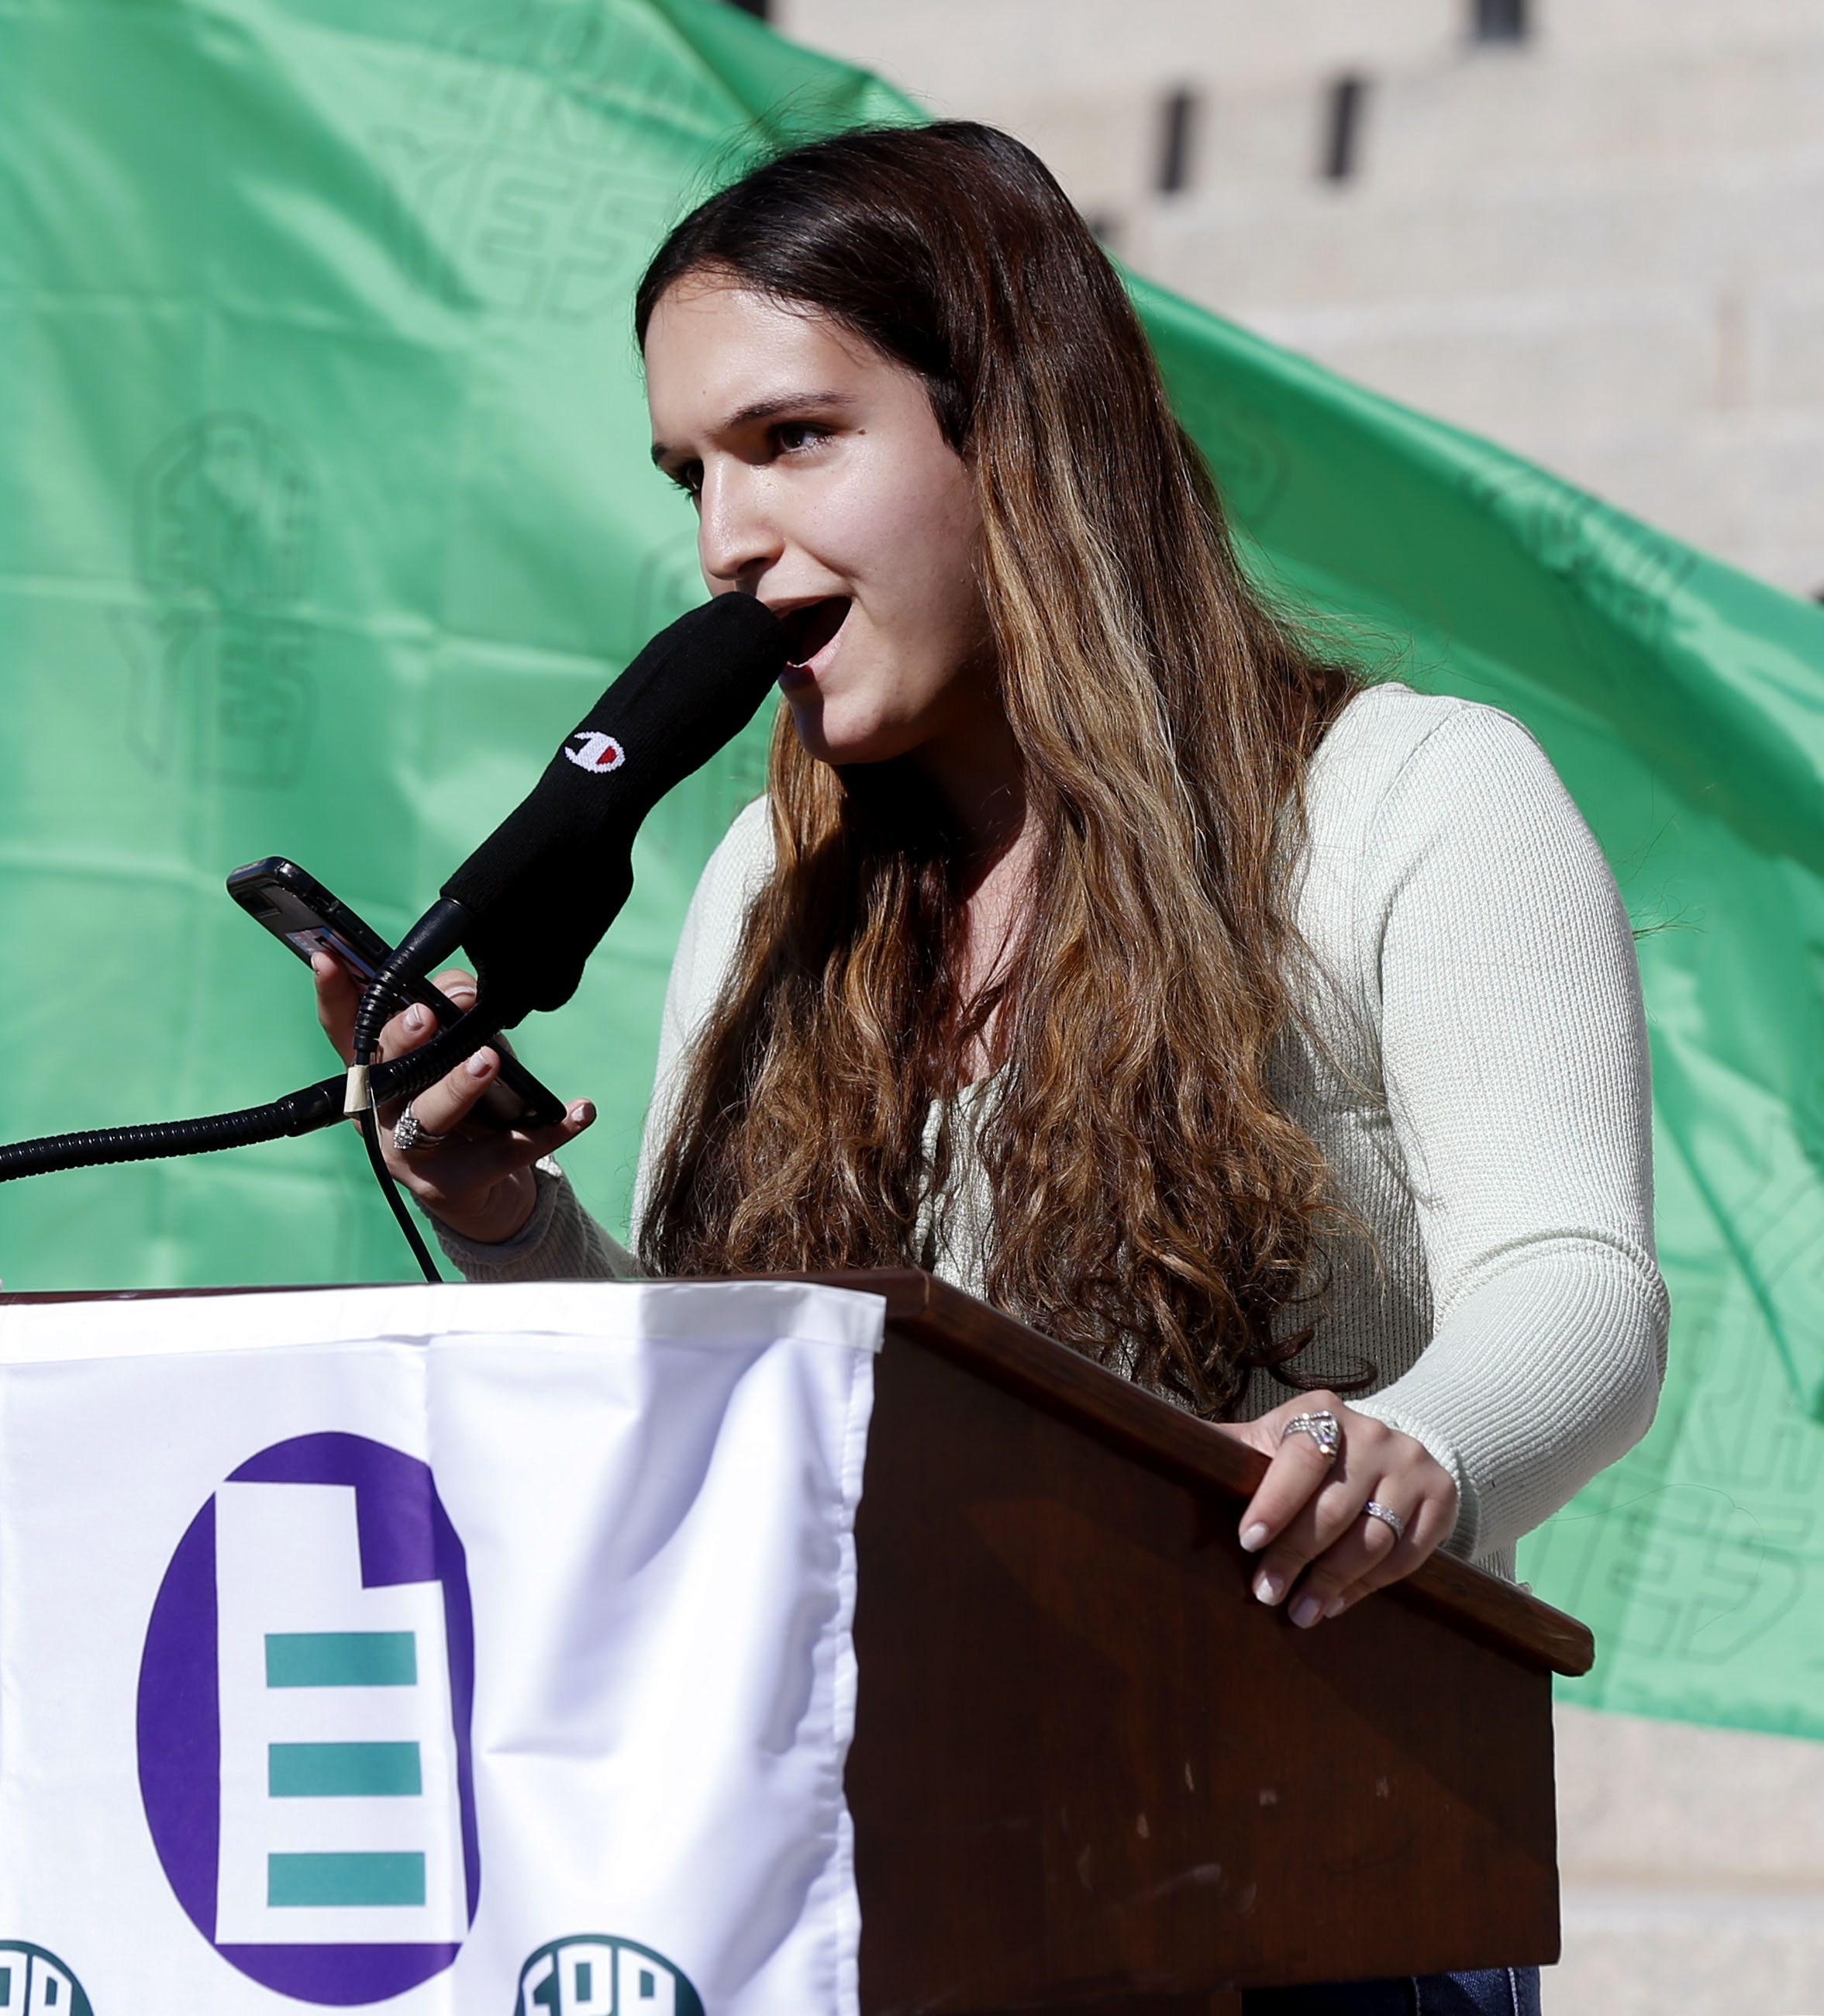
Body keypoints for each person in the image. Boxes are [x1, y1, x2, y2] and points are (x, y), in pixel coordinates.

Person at [319, 121, 1659, 2016]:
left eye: (791, 438)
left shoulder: (1411, 799)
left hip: (1302, 1883)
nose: (723, 540)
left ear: (1013, 434)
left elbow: (1575, 1290)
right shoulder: (765, 888)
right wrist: (504, 1218)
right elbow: (718, 1403)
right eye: (691, 472)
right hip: (860, 1893)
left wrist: (1400, 1451)